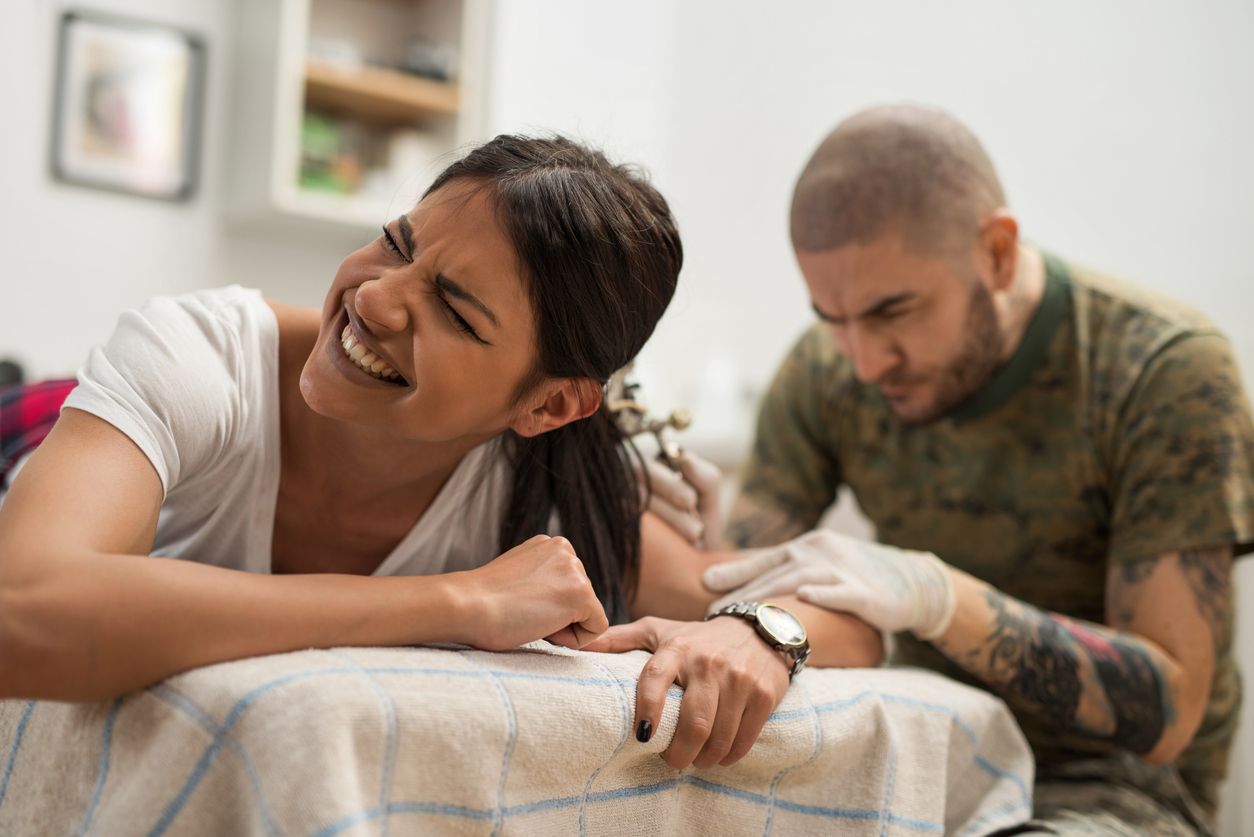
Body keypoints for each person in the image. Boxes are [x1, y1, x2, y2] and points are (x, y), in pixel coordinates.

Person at [0, 135, 881, 773]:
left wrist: (761, 636)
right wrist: (452, 601)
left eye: (455, 312)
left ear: (549, 404)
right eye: (396, 242)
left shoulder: (549, 493)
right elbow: (20, 612)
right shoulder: (201, 354)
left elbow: (851, 620)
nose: (378, 301)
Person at [651, 106, 1254, 834]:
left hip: (1105, 790)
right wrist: (710, 553)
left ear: (997, 252)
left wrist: (936, 595)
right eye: (832, 317)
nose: (867, 361)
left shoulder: (1163, 369)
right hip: (918, 740)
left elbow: (1168, 708)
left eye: (893, 311)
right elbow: (757, 583)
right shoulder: (826, 368)